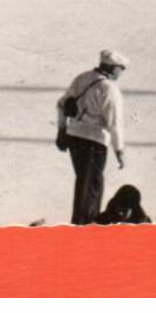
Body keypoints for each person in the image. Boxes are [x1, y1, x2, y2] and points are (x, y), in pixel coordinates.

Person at [57, 49, 129, 225]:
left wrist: (61, 130)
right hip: (94, 143)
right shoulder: (110, 89)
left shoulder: (82, 78)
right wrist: (120, 152)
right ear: (114, 68)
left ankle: (83, 225)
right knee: (91, 189)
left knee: (85, 184)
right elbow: (114, 124)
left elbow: (62, 104)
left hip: (74, 138)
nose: (121, 73)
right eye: (121, 69)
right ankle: (83, 229)